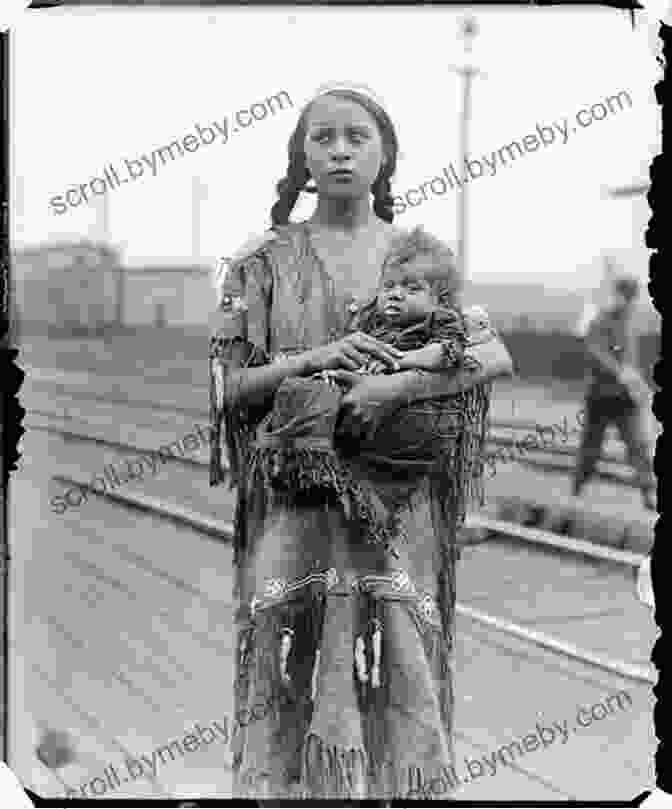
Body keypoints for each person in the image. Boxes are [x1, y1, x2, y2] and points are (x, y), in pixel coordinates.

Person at [208, 83, 512, 800]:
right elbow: (230, 388)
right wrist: (313, 360)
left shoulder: (418, 257)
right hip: (294, 501)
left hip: (400, 502)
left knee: (400, 654)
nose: (340, 151)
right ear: (302, 155)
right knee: (284, 654)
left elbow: (488, 353)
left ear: (386, 153)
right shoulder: (262, 260)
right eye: (323, 138)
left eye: (357, 137)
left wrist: (394, 390)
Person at [242, 227, 490, 559]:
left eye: (411, 288)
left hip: (415, 412)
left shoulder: (441, 321)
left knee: (346, 428)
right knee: (298, 393)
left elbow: (447, 353)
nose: (396, 294)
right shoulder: (373, 321)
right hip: (368, 397)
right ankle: (303, 471)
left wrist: (400, 360)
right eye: (389, 286)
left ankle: (331, 482)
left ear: (439, 299)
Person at [572, 272, 656, 511]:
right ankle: (577, 489)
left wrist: (635, 380)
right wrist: (619, 371)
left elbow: (630, 359)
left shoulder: (630, 322)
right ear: (617, 296)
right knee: (590, 448)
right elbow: (594, 351)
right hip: (600, 396)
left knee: (639, 445)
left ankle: (649, 493)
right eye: (625, 297)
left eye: (631, 299)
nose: (628, 303)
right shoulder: (600, 319)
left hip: (626, 397)